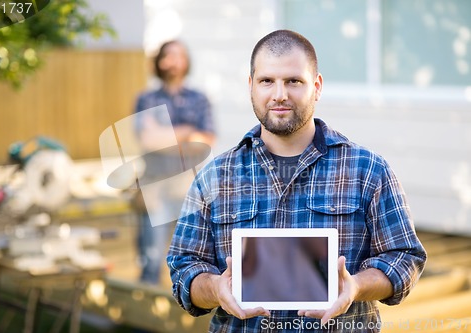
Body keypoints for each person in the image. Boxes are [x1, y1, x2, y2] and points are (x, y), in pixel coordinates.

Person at [167, 30, 427, 332]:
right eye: (267, 81)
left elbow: (405, 258)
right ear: (251, 86)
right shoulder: (215, 176)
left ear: (316, 87)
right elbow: (184, 267)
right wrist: (215, 288)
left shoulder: (368, 170)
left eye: (293, 81)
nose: (280, 94)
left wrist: (355, 287)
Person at [133, 40, 216, 284]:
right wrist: (188, 132)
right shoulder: (146, 99)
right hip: (154, 188)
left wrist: (166, 136)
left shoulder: (200, 99)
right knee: (151, 259)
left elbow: (206, 141)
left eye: (179, 55)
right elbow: (148, 139)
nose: (172, 61)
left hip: (189, 189)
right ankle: (143, 320)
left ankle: (183, 314)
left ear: (187, 62)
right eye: (167, 56)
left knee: (191, 260)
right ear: (159, 62)